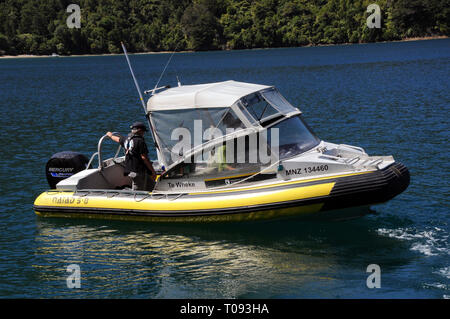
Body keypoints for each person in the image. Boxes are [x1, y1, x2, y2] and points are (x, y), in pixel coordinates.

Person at [106, 122, 156, 191]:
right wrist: (152, 171)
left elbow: (118, 139)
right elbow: (144, 157)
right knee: (138, 192)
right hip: (139, 171)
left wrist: (111, 135)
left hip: (131, 169)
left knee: (151, 185)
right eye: (143, 131)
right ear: (139, 131)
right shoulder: (140, 141)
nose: (144, 133)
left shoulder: (126, 139)